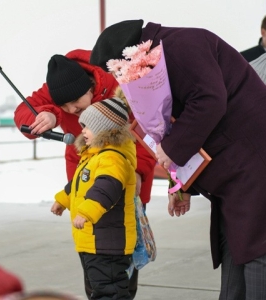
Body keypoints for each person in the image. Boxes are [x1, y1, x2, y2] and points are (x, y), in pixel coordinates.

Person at [90, 19, 266, 300]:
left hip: (253, 162)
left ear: (128, 55)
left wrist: (171, 150)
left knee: (256, 248)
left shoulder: (182, 46)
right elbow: (179, 120)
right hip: (233, 172)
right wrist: (180, 184)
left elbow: (209, 100)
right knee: (236, 242)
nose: (123, 77)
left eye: (120, 71)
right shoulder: (161, 57)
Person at [13, 51, 156, 299]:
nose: (71, 110)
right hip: (84, 168)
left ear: (91, 87)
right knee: (92, 255)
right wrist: (48, 114)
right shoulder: (59, 85)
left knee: (121, 255)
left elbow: (144, 133)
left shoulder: (118, 83)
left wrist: (139, 172)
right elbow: (23, 112)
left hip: (122, 171)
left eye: (76, 103)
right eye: (64, 106)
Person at [51, 97, 137, 300]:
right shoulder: (93, 157)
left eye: (87, 126)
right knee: (99, 291)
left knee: (109, 292)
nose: (83, 131)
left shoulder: (112, 157)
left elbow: (107, 188)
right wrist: (63, 200)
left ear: (104, 130)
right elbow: (79, 183)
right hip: (94, 241)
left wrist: (87, 212)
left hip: (108, 243)